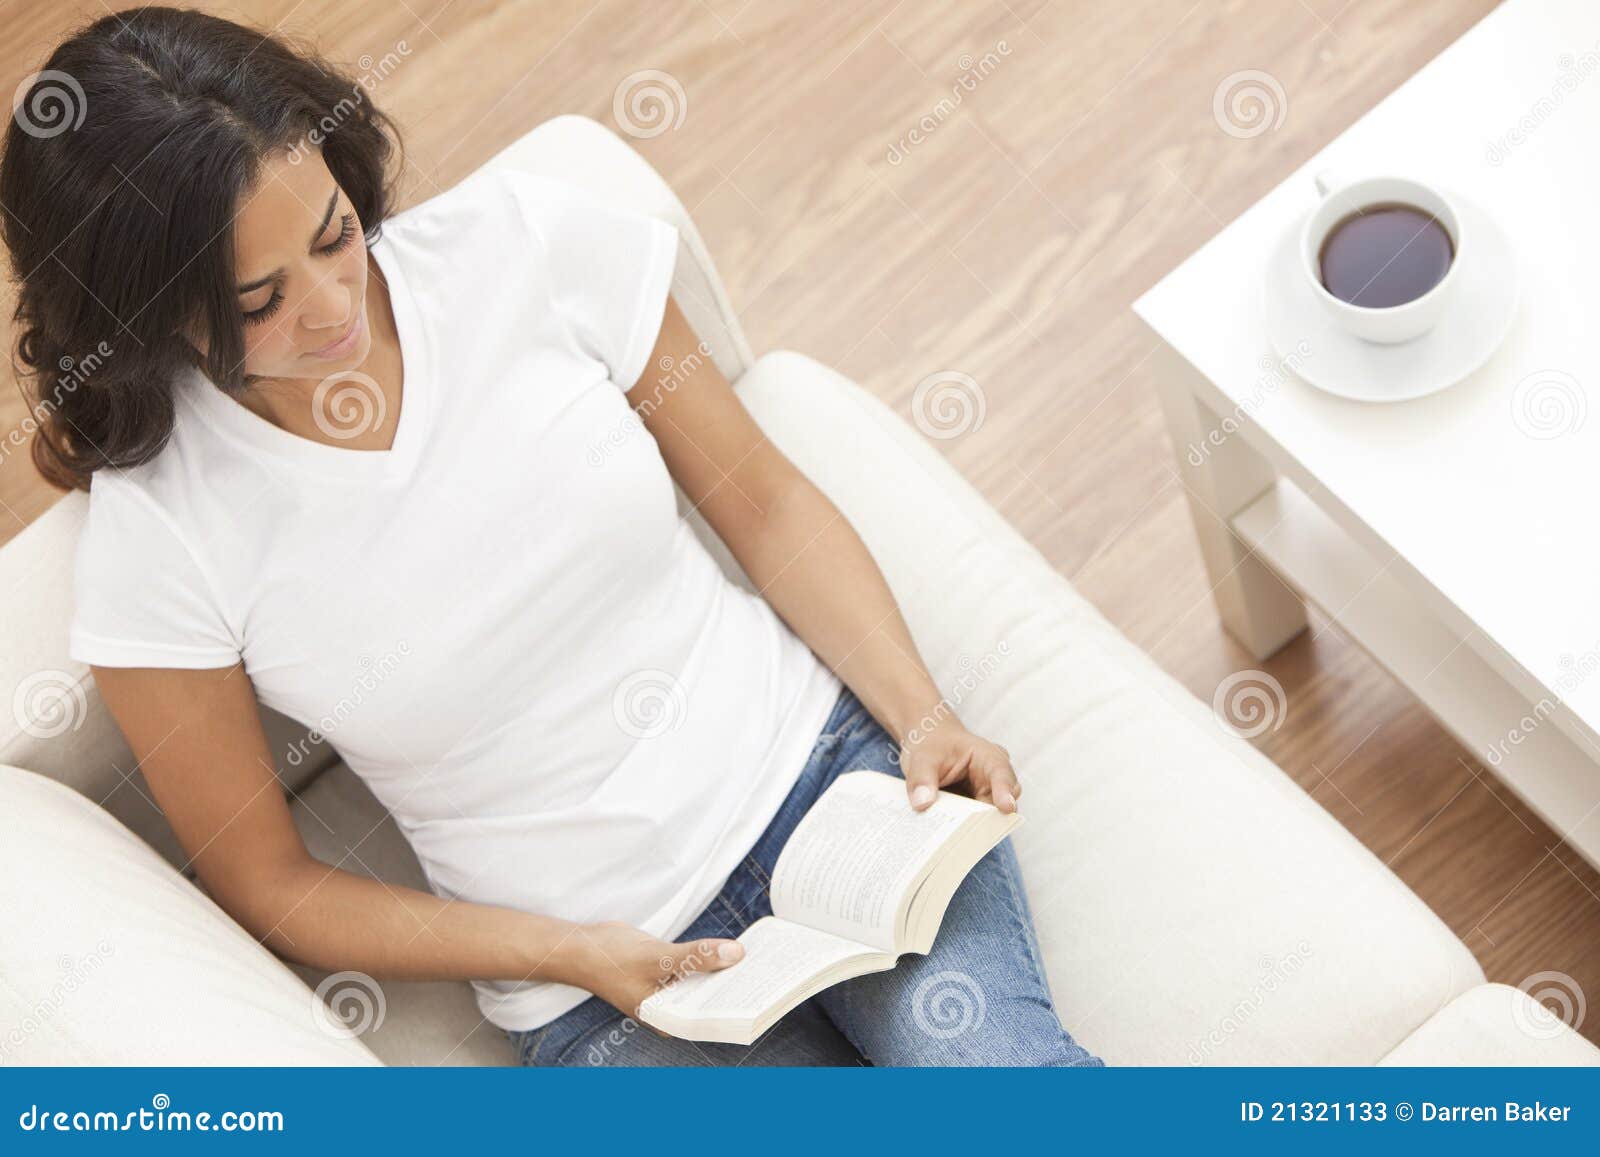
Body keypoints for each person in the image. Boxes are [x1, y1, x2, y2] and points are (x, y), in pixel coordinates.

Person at [0, 6, 1103, 1067]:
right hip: (593, 982)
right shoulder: (159, 545)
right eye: (259, 300)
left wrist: (921, 713)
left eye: (335, 234)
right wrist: (563, 949)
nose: (335, 303)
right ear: (146, 317)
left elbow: (760, 499)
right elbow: (267, 876)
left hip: (825, 794)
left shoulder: (523, 245)